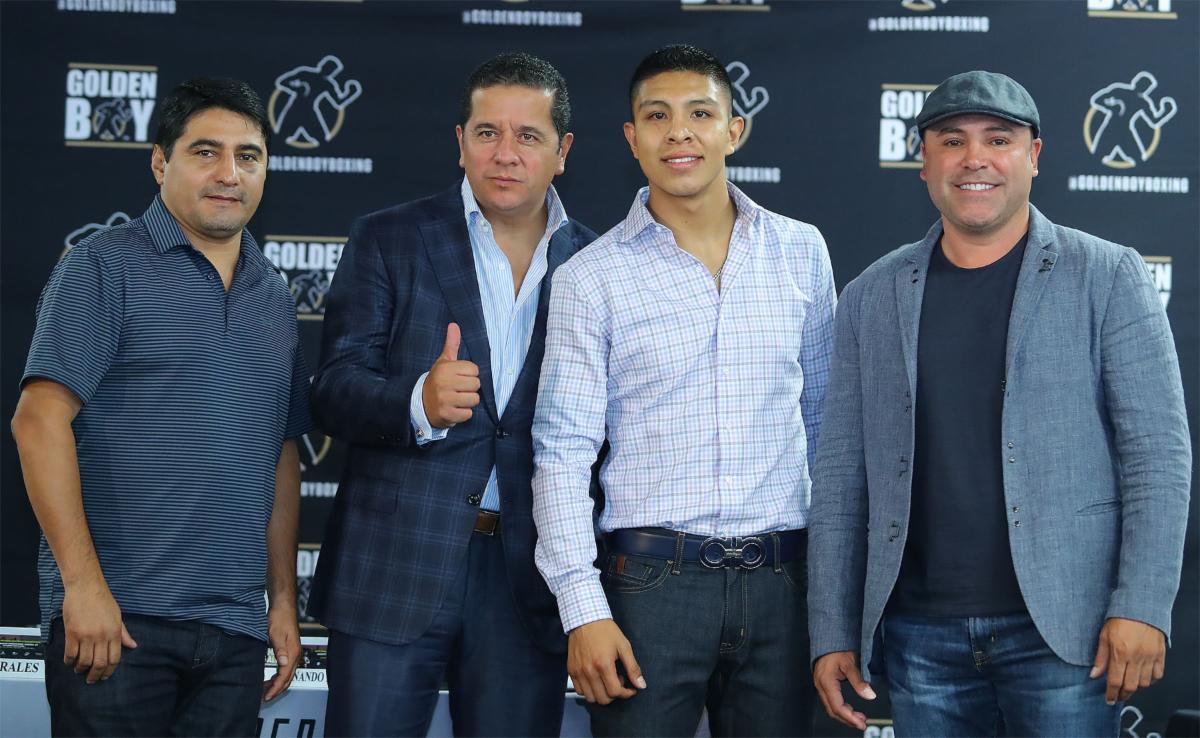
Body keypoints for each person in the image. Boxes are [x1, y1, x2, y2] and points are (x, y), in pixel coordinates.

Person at [808, 70, 1191, 737]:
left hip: (1068, 633)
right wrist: (832, 630)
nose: (974, 158)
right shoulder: (870, 295)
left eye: (998, 139)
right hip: (919, 637)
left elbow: (1157, 457)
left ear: (1033, 156)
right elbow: (841, 476)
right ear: (924, 160)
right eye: (952, 140)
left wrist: (1142, 604)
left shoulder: (1107, 275)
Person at [532, 44, 835, 738]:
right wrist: (583, 609)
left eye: (700, 113)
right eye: (657, 116)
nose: (679, 133)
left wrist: (834, 596)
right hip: (649, 589)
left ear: (735, 130)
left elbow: (827, 432)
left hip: (786, 584)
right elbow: (561, 455)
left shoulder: (801, 252)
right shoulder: (590, 278)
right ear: (632, 138)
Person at [308, 52, 596, 737]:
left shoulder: (598, 264)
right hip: (393, 569)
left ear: (562, 151)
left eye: (528, 136)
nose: (506, 153)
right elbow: (332, 391)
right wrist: (417, 403)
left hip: (529, 579)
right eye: (487, 132)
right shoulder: (389, 238)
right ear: (460, 141)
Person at [12, 77, 311, 736]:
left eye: (248, 156)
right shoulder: (102, 267)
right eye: (206, 152)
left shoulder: (273, 296)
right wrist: (82, 588)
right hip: (117, 625)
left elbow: (281, 455)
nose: (229, 173)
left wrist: (283, 600)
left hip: (234, 636)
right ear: (159, 162)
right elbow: (38, 420)